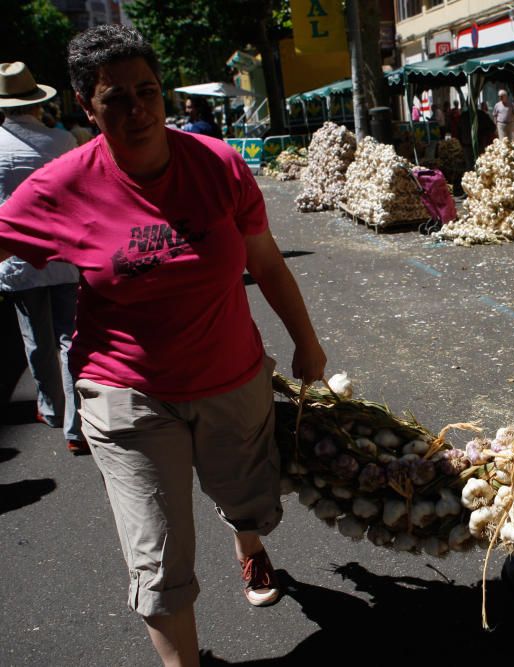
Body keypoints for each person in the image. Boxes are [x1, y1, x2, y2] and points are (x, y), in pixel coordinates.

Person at [0, 25, 327, 667]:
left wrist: (306, 342)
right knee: (157, 555)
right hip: (125, 394)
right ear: (84, 104)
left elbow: (265, 260)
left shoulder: (219, 164)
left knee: (247, 497)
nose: (136, 109)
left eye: (146, 91)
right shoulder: (60, 184)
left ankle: (249, 544)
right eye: (114, 97)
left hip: (231, 377)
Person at [0, 61, 86, 454]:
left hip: (17, 257)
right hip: (64, 253)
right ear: (37, 104)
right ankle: (76, 426)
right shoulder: (62, 141)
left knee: (36, 338)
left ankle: (50, 407)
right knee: (71, 339)